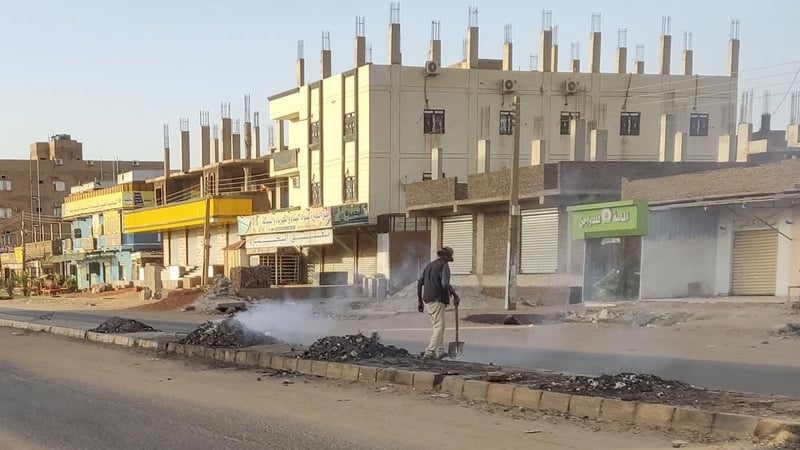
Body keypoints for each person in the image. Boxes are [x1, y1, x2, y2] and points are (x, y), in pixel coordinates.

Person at [417, 246, 460, 359]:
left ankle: (440, 351)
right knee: (440, 326)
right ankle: (430, 352)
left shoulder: (429, 265)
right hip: (437, 299)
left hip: (427, 299)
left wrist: (420, 301)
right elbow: (445, 284)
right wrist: (454, 294)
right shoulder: (444, 266)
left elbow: (419, 282)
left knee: (437, 326)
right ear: (446, 257)